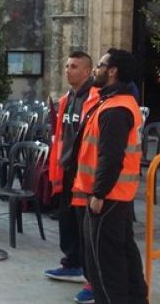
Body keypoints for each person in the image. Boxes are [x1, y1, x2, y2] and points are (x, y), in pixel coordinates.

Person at [75, 48, 147, 304]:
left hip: (107, 197)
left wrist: (98, 193)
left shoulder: (115, 109)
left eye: (101, 64)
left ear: (113, 71)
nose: (96, 69)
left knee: (104, 265)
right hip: (117, 196)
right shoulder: (116, 103)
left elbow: (111, 157)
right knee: (124, 253)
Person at [44, 51, 99, 303]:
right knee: (67, 219)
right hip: (67, 169)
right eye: (66, 65)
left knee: (86, 227)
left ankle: (93, 280)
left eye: (74, 66)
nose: (68, 70)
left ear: (87, 71)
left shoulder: (95, 98)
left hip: (84, 173)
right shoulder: (67, 99)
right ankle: (72, 262)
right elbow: (60, 136)